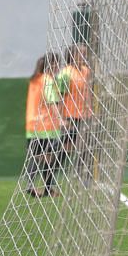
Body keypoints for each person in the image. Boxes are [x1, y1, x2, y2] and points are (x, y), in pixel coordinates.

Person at [48, 43, 93, 177]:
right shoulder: (65, 73)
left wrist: (91, 111)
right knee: (64, 149)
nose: (84, 56)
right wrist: (60, 119)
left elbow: (88, 92)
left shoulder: (86, 71)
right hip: (70, 117)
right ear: (72, 55)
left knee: (88, 146)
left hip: (85, 116)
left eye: (85, 53)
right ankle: (49, 176)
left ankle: (83, 176)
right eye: (81, 53)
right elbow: (59, 98)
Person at [24, 52, 64, 196]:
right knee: (45, 157)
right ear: (48, 66)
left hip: (32, 125)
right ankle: (33, 185)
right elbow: (52, 101)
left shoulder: (34, 79)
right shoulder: (47, 79)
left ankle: (46, 188)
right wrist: (60, 119)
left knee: (43, 157)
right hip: (45, 126)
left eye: (58, 63)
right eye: (54, 64)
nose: (57, 67)